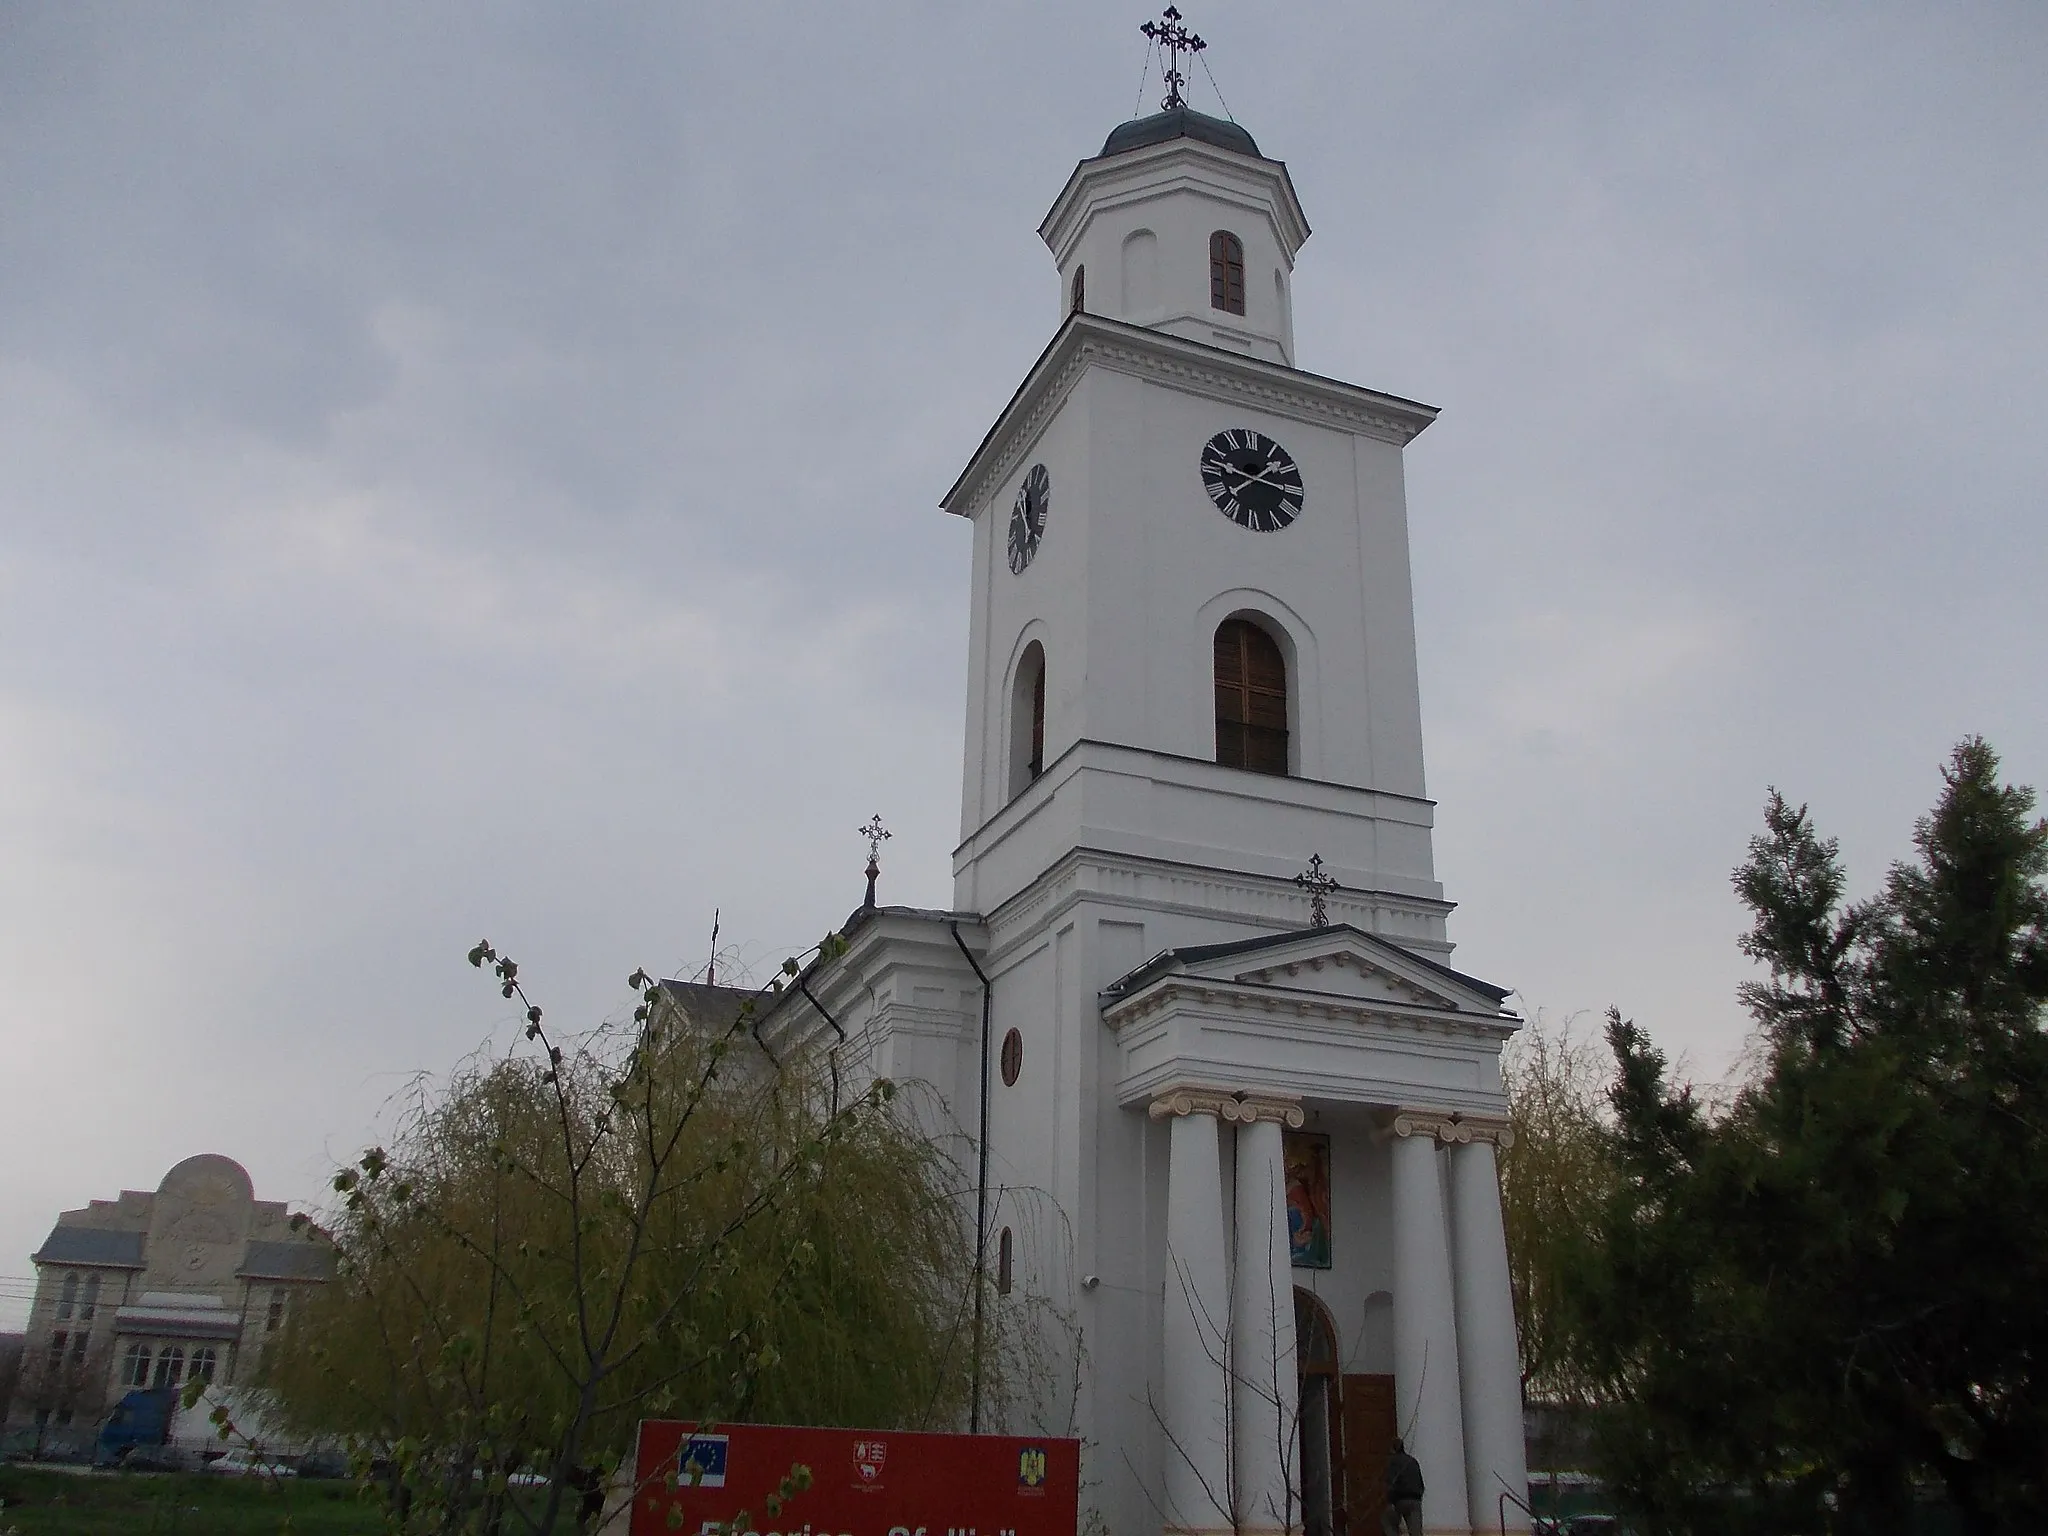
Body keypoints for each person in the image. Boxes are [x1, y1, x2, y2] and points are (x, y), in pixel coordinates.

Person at [1383, 1436, 1425, 1536]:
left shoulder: (1394, 1461)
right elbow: (1420, 1482)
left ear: (1393, 1449)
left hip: (1400, 1499)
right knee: (1416, 1531)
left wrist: (1389, 1501)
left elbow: (1391, 1481)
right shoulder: (1413, 1461)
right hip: (1416, 1499)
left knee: (1387, 1521)